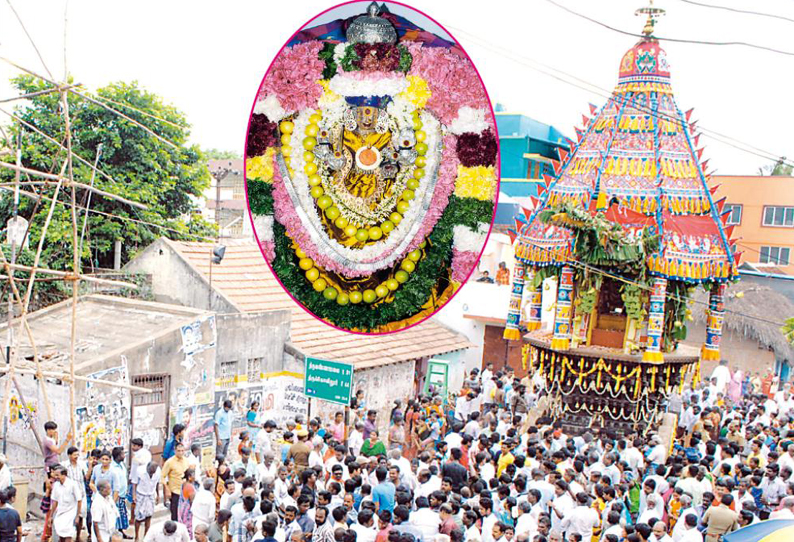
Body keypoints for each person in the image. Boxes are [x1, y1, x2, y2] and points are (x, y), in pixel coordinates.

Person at [50, 465, 83, 542]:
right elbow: (55, 501)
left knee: (68, 534)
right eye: (55, 475)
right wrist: (51, 515)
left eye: (57, 475)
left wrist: (77, 515)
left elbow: (79, 500)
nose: (56, 477)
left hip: (71, 512)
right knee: (61, 534)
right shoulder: (56, 485)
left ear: (64, 475)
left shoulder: (73, 484)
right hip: (60, 512)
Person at [162, 443, 190, 522]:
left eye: (182, 451)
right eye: (178, 451)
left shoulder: (186, 461)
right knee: (175, 514)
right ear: (175, 451)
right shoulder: (169, 462)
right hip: (175, 492)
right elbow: (163, 476)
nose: (180, 453)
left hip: (185, 492)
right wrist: (167, 489)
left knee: (184, 513)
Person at [133, 462, 161, 541]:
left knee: (149, 516)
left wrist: (158, 495)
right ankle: (137, 537)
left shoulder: (158, 471)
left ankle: (146, 536)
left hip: (151, 495)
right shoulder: (140, 470)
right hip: (141, 495)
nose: (152, 473)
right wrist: (134, 495)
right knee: (138, 517)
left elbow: (157, 483)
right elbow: (134, 483)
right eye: (150, 472)